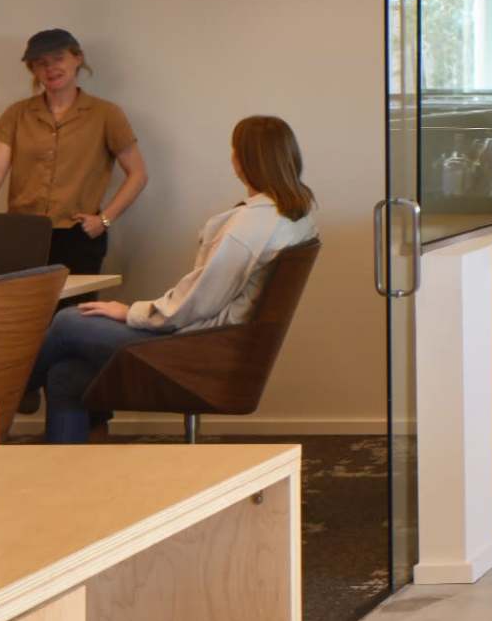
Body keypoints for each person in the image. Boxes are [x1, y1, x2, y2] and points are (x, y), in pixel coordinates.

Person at [33, 115, 319, 444]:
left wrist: (131, 312)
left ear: (242, 161)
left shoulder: (250, 225)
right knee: (65, 376)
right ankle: (61, 477)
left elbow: (197, 302)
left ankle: (5, 396)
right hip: (226, 344)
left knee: (70, 320)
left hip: (199, 349)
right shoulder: (296, 214)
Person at [0, 28, 146, 276]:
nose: (50, 68)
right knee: (23, 311)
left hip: (78, 235)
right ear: (33, 70)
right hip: (22, 233)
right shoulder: (17, 114)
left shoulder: (106, 114)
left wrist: (104, 220)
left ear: (78, 58)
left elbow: (138, 174)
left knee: (71, 314)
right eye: (41, 63)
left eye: (58, 58)